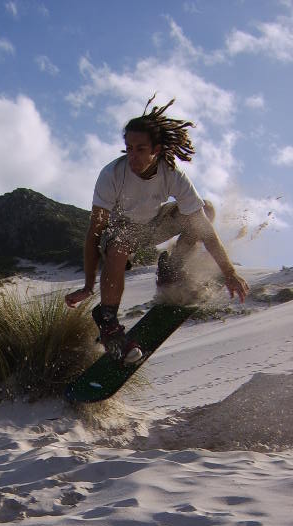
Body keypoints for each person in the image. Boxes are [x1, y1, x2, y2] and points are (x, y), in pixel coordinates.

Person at [65, 96, 249, 363]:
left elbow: (204, 232)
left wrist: (229, 272)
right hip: (121, 230)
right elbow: (94, 231)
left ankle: (172, 268)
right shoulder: (111, 176)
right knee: (118, 246)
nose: (133, 156)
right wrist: (88, 284)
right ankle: (108, 322)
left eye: (141, 149)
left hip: (153, 226)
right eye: (128, 148)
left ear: (157, 149)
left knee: (204, 211)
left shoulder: (172, 174)